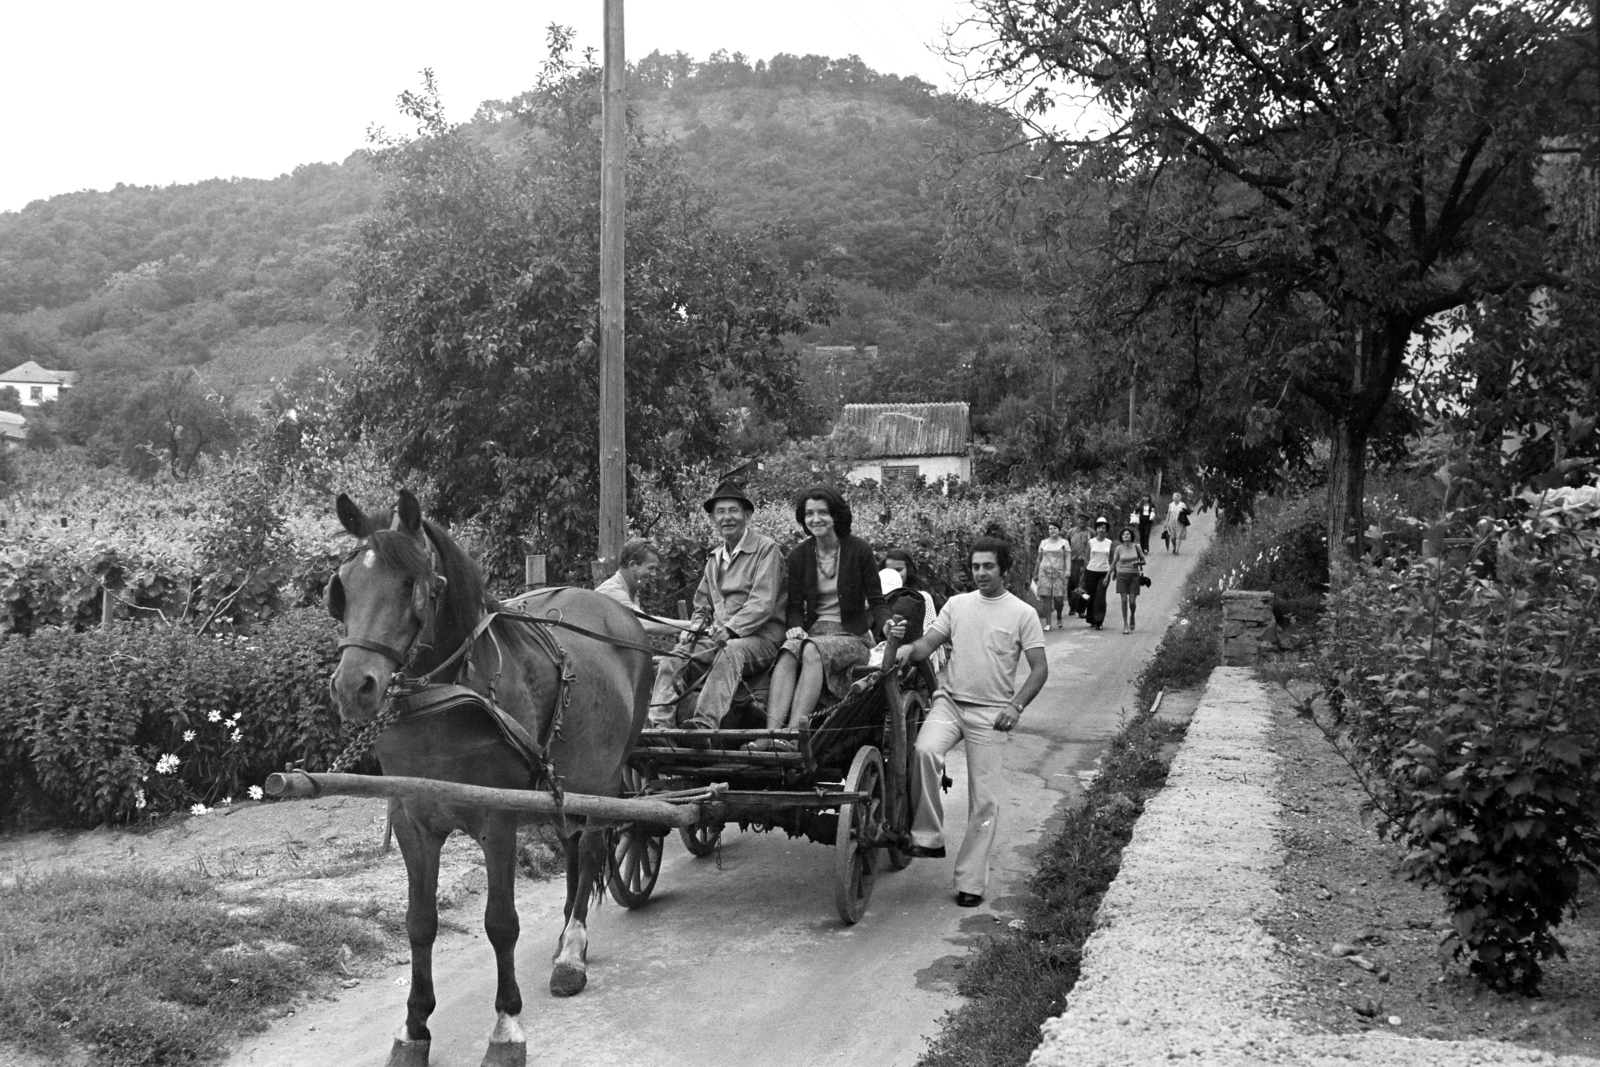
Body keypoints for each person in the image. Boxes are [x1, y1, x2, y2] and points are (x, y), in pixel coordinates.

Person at [892, 537, 1048, 908]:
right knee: (924, 751)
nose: (980, 573)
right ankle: (928, 835)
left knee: (984, 801)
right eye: (976, 567)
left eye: (988, 567)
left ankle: (970, 882)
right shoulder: (958, 605)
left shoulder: (1022, 613)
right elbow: (926, 646)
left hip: (992, 714)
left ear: (1004, 569)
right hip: (950, 703)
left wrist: (1017, 706)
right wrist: (904, 648)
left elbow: (1040, 670)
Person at [757, 487, 889, 752]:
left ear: (836, 516)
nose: (815, 519)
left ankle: (794, 736)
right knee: (788, 650)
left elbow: (877, 600)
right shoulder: (799, 555)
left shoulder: (859, 550)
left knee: (811, 649)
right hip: (815, 632)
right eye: (809, 514)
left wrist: (887, 623)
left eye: (823, 513)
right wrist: (794, 626)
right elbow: (794, 606)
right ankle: (769, 733)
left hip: (852, 636)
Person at [648, 481, 786, 730]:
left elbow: (762, 603)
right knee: (675, 658)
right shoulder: (715, 558)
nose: (726, 518)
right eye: (720, 512)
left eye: (733, 510)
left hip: (762, 639)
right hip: (720, 639)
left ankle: (703, 726)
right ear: (713, 519)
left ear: (747, 515)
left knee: (731, 650)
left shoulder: (766, 550)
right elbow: (702, 606)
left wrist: (731, 629)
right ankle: (659, 727)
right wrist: (694, 630)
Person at [593, 538, 684, 638]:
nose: (653, 574)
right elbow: (643, 623)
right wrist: (691, 625)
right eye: (650, 568)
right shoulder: (612, 591)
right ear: (632, 565)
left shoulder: (632, 591)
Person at [1032, 521, 1071, 631]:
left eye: (1054, 528)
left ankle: (1059, 615)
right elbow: (1039, 558)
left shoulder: (1064, 543)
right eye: (1050, 529)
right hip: (1044, 572)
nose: (1052, 530)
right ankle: (1048, 623)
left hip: (1059, 573)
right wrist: (1035, 573)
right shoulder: (1043, 543)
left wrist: (1068, 570)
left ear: (1059, 531)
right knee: (1047, 597)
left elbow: (1067, 557)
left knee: (1058, 598)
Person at [1110, 525, 1147, 633]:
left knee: (1132, 602)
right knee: (1124, 600)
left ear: (1131, 536)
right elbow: (1114, 563)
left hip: (1134, 576)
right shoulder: (1118, 548)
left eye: (1128, 534)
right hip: (1122, 576)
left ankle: (1132, 615)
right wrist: (1108, 575)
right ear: (1121, 537)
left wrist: (1138, 562)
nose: (1126, 535)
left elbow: (1144, 561)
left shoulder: (1137, 547)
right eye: (1124, 534)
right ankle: (1125, 624)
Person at [1082, 518, 1113, 630]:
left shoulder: (1109, 543)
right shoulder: (1091, 542)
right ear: (1096, 529)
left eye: (1103, 528)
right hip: (1091, 571)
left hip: (1104, 572)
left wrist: (1112, 572)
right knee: (1092, 595)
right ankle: (1091, 618)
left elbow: (1112, 559)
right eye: (1099, 527)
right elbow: (1086, 558)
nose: (1101, 530)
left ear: (1106, 530)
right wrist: (1084, 572)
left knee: (1100, 596)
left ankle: (1099, 620)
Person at [1066, 516, 1091, 618]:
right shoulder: (1071, 532)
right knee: (1072, 585)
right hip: (1073, 561)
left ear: (1087, 522)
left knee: (1084, 586)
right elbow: (1065, 546)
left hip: (1086, 562)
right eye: (1081, 519)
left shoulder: (1090, 532)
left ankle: (1081, 609)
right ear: (1077, 520)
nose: (1083, 521)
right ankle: (1072, 607)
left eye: (1085, 520)